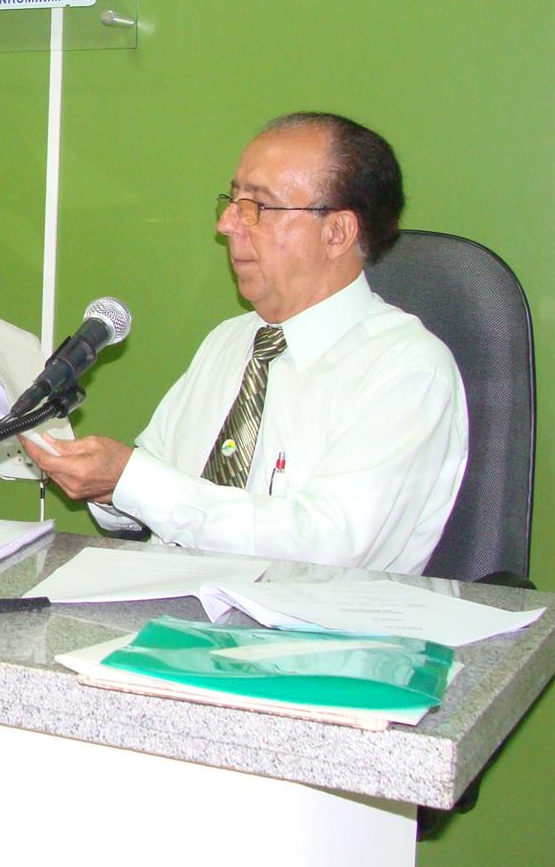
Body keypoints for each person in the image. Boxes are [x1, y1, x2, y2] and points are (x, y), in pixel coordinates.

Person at [25, 113, 468, 573]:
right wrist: (108, 486)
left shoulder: (406, 370)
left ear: (337, 232)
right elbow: (156, 483)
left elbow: (327, 550)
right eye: (232, 201)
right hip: (171, 614)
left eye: (257, 207)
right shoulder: (230, 341)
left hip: (313, 634)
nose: (227, 225)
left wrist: (133, 478)